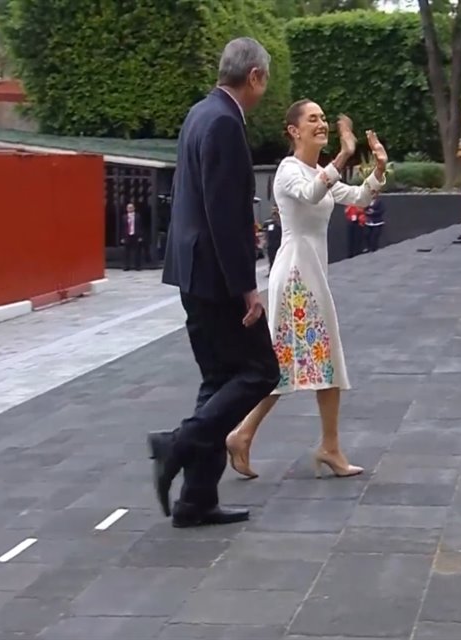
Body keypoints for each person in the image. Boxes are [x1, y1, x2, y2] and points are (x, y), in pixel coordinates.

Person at [147, 38, 280, 528]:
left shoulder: (199, 113)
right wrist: (247, 285)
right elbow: (224, 216)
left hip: (191, 272)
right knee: (262, 371)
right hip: (217, 276)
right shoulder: (224, 124)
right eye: (265, 81)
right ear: (255, 77)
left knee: (219, 378)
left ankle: (196, 499)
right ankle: (177, 444)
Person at [224, 101, 387, 480]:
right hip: (297, 274)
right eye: (313, 119)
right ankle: (318, 444)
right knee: (312, 358)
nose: (322, 124)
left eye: (324, 119)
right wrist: (345, 154)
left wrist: (378, 168)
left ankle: (246, 434)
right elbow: (313, 193)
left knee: (290, 364)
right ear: (293, 131)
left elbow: (359, 197)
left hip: (310, 272)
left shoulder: (316, 171)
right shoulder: (287, 171)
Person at [120, 202, 144, 271]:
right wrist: (122, 237)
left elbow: (141, 227)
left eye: (131, 207)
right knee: (126, 252)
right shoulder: (124, 217)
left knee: (137, 252)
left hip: (136, 235)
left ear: (134, 208)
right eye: (128, 208)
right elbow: (122, 228)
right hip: (127, 236)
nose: (130, 209)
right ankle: (126, 266)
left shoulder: (138, 216)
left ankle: (137, 266)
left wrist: (140, 236)